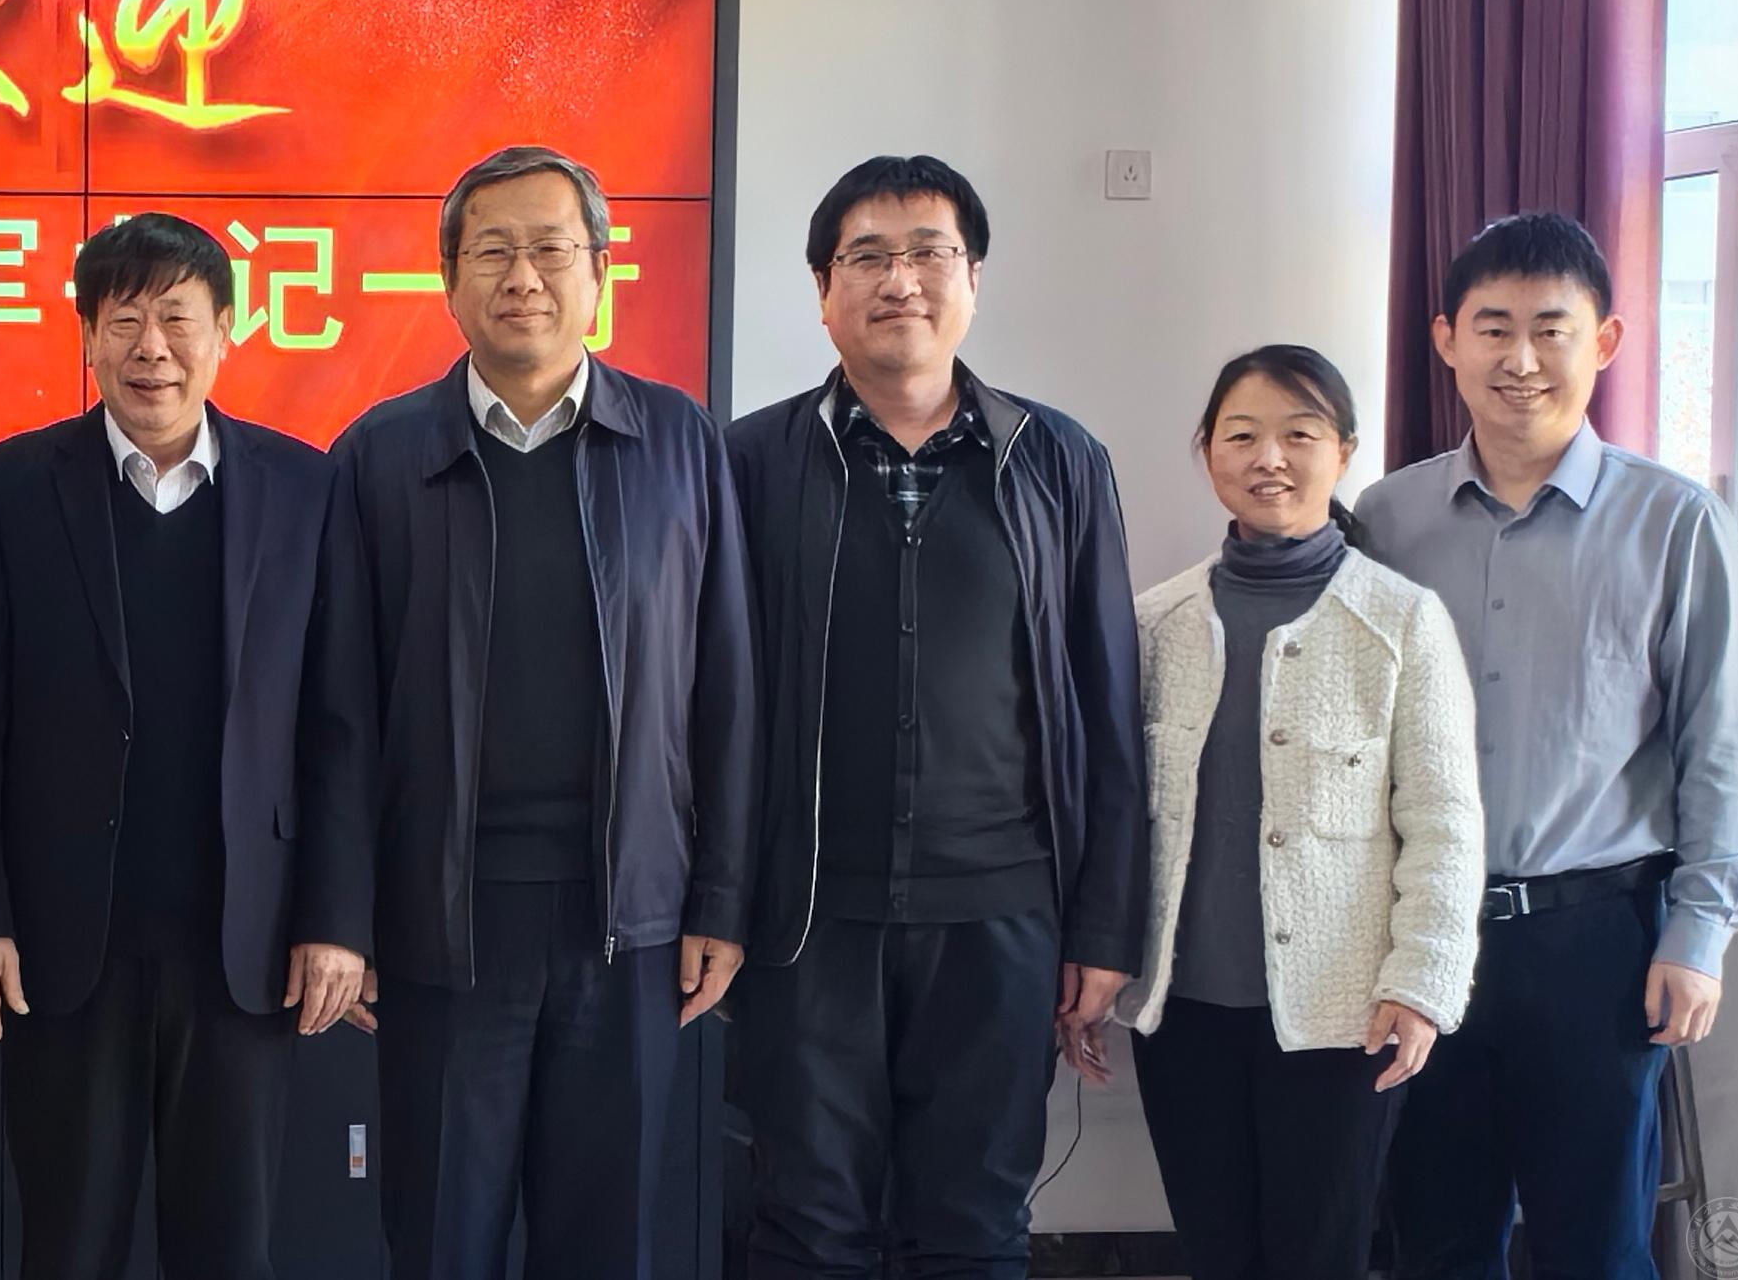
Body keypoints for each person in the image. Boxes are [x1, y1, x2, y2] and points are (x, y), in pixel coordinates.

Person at [304, 144, 759, 1280]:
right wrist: (344, 916)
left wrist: (721, 895)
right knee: (441, 1237)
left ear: (600, 269)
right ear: (448, 278)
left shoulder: (679, 443)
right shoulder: (379, 455)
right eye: (492, 251)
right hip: (442, 922)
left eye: (552, 248)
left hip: (632, 919)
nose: (523, 276)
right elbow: (338, 715)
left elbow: (727, 688)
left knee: (608, 1243)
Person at [722, 154, 1147, 1280]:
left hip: (1001, 914)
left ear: (973, 280)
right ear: (823, 291)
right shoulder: (749, 462)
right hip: (806, 915)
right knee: (807, 1223)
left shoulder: (1056, 461)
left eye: (927, 254)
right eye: (866, 256)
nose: (899, 279)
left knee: (975, 1224)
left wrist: (1103, 930)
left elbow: (1106, 704)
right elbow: (710, 705)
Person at [0, 213, 355, 1280]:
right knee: (67, 1247)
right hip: (64, 946)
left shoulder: (304, 489)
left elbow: (339, 723)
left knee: (230, 1250)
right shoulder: (6, 490)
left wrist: (336, 919)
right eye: (123, 322)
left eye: (177, 320)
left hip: (243, 945)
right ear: (86, 339)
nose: (151, 348)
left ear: (226, 334)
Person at [1361, 212, 1738, 1280]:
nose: (1521, 358)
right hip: (1424, 937)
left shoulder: (1675, 523)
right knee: (1437, 1242)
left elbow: (1717, 744)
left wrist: (1699, 933)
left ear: (1606, 341)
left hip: (1596, 944)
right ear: (1447, 340)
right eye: (1493, 327)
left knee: (1597, 1250)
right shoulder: (1387, 520)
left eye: (1551, 328)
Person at [1089, 344, 1482, 1280]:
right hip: (1184, 1010)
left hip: (1344, 1018)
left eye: (1299, 435)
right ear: (1208, 454)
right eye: (1242, 436)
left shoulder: (1402, 620)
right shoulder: (1153, 623)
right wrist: (1093, 964)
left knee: (1319, 1256)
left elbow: (1445, 822)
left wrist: (1422, 982)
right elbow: (1113, 818)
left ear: (1343, 451)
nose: (1270, 458)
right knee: (1215, 1252)